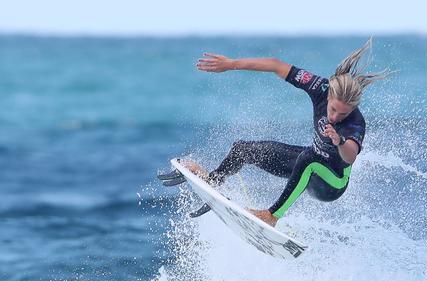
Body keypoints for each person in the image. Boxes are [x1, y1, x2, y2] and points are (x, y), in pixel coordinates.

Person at [158, 38, 388, 227]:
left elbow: (351, 156)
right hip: (308, 165)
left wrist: (339, 141)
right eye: (334, 110)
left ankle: (271, 216)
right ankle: (214, 181)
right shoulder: (320, 87)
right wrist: (231, 63)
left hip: (332, 183)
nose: (336, 117)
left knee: (309, 159)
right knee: (243, 150)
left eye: (344, 114)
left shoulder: (356, 123)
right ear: (328, 96)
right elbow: (276, 65)